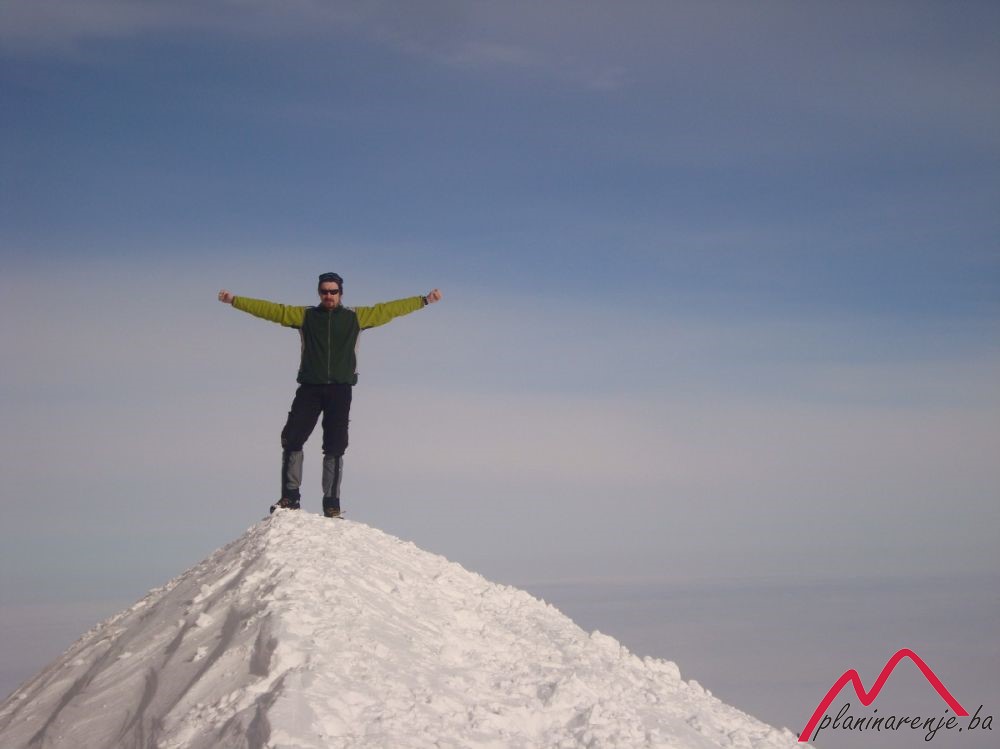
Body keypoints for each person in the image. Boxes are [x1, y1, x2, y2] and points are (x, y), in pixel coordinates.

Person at [218, 272, 442, 517]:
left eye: (333, 291)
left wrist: (424, 300)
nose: (329, 295)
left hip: (340, 390)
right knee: (292, 438)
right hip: (310, 388)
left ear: (340, 293)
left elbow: (389, 309)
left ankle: (332, 503)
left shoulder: (355, 317)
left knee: (335, 445)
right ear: (319, 293)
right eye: (324, 291)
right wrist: (235, 300)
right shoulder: (306, 316)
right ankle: (290, 497)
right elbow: (271, 310)